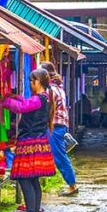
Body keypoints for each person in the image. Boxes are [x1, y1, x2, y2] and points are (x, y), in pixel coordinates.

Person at [1, 69, 56, 212]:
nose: (30, 84)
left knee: (25, 178)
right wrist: (16, 97)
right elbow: (26, 103)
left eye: (31, 81)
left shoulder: (39, 98)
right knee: (33, 179)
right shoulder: (45, 98)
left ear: (37, 82)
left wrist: (4, 101)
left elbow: (23, 107)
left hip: (30, 142)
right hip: (38, 142)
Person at [39, 61, 78, 196]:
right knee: (58, 154)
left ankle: (72, 185)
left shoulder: (50, 90)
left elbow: (47, 110)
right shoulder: (58, 87)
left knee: (60, 156)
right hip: (59, 125)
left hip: (54, 125)